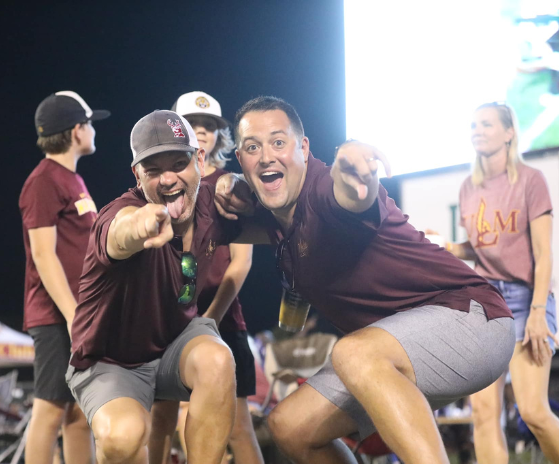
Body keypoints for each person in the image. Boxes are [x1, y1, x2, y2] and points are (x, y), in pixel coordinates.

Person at [214, 96, 516, 464]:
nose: (265, 156)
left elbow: (352, 195)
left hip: (473, 321)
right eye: (251, 147)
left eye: (278, 142)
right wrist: (224, 182)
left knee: (352, 351)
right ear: (242, 159)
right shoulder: (274, 221)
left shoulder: (323, 191)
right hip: (396, 349)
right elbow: (206, 210)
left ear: (304, 149)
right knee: (292, 426)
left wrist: (354, 168)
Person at [66, 110, 243, 464]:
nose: (168, 180)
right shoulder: (119, 213)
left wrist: (239, 183)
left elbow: (277, 208)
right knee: (123, 438)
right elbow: (119, 233)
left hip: (173, 340)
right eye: (153, 170)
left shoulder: (211, 205)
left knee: (217, 360)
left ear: (201, 159)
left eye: (179, 163)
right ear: (136, 175)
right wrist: (143, 223)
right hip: (111, 359)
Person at [148, 92, 262, 464]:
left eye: (210, 126)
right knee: (161, 416)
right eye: (193, 125)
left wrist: (208, 319)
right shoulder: (163, 183)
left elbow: (240, 263)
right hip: (168, 321)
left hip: (223, 320)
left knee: (239, 425)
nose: (202, 132)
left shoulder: (232, 185)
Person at [446, 102, 559, 464]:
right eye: (474, 125)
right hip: (484, 301)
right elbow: (482, 246)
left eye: (487, 124)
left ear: (509, 132)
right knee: (482, 414)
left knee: (534, 412)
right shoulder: (468, 187)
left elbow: (544, 255)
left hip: (527, 299)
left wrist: (539, 312)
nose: (477, 130)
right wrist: (448, 247)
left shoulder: (530, 180)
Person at [19, 91, 109, 464]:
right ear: (75, 131)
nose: (92, 130)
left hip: (77, 315)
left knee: (78, 414)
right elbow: (43, 254)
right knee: (50, 409)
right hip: (57, 316)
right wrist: (73, 315)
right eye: (89, 123)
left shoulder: (72, 179)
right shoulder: (44, 180)